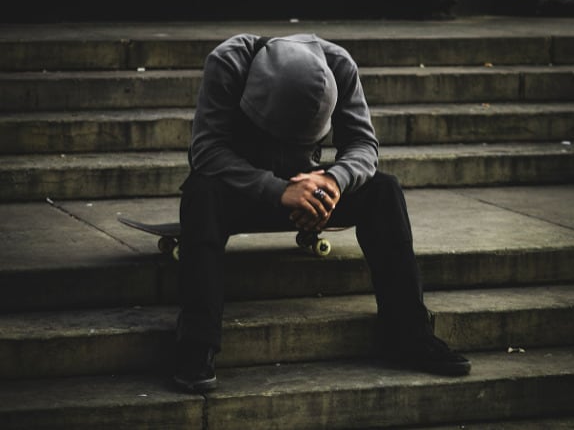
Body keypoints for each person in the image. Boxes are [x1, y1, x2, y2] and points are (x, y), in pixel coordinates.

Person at [174, 33, 471, 393]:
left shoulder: (340, 65)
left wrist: (333, 181)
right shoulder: (228, 62)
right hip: (242, 191)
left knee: (384, 190)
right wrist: (279, 190)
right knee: (200, 191)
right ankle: (196, 344)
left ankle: (409, 336)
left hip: (311, 187)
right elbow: (205, 151)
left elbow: (363, 145)